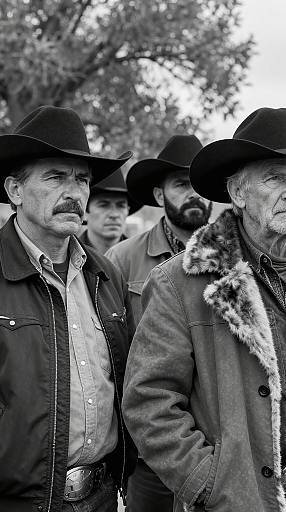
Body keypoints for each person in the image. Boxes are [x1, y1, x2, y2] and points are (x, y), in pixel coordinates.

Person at [122, 107, 286, 512]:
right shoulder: (183, 280)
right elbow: (149, 400)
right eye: (275, 178)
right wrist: (211, 484)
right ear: (238, 193)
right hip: (240, 501)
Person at [0, 105, 137, 512]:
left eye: (82, 180)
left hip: (101, 495)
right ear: (15, 191)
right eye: (56, 177)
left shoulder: (104, 273)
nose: (74, 193)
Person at [105, 134, 210, 511]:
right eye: (182, 185)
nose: (194, 194)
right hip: (150, 453)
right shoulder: (121, 260)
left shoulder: (234, 260)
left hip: (218, 447)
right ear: (159, 193)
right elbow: (111, 353)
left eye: (199, 184)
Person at [80, 168, 141, 254]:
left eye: (121, 206)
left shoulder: (139, 256)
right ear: (85, 211)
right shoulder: (66, 256)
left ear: (127, 210)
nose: (114, 214)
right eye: (104, 205)